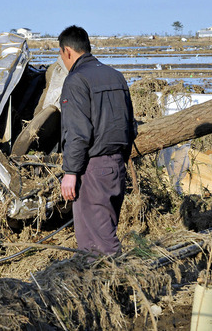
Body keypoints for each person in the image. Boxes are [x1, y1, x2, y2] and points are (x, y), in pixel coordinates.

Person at [58, 25, 136, 257]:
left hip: (92, 170)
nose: (62, 61)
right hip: (116, 166)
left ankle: (121, 287)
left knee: (99, 243)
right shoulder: (116, 76)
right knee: (103, 231)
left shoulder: (76, 81)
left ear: (68, 51)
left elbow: (77, 132)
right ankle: (103, 288)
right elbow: (129, 125)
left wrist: (70, 172)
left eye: (61, 56)